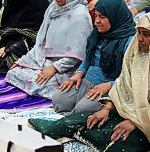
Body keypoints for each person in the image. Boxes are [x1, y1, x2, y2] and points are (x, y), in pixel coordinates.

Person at [30, 13, 150, 152]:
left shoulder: (128, 42)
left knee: (120, 141)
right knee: (88, 119)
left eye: (146, 34)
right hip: (124, 110)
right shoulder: (135, 52)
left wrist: (134, 122)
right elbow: (122, 85)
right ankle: (58, 127)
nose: (139, 38)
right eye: (139, 32)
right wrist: (106, 108)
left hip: (144, 122)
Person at [5, 0, 92, 99]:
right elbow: (41, 42)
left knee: (37, 83)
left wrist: (54, 68)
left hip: (67, 67)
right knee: (14, 72)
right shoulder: (53, 8)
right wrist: (24, 60)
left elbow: (78, 54)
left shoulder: (80, 15)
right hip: (46, 60)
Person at [52, 0, 135, 113]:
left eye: (102, 17)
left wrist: (110, 85)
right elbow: (89, 58)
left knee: (83, 110)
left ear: (114, 16)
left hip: (110, 87)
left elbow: (130, 75)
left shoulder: (129, 41)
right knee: (59, 100)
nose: (96, 21)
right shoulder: (98, 33)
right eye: (95, 16)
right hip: (87, 81)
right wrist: (79, 73)